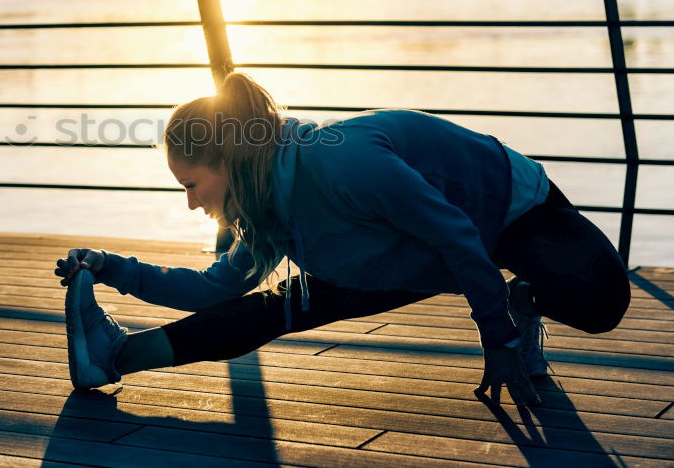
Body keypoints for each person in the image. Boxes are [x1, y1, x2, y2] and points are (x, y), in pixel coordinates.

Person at [55, 72, 631, 406]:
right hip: (393, 255)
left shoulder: (345, 164)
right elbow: (213, 288)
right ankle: (112, 354)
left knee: (603, 303)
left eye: (193, 184)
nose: (190, 202)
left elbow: (457, 235)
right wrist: (113, 269)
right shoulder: (266, 209)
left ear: (229, 160)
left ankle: (524, 299)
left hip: (508, 208)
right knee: (265, 313)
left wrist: (502, 341)